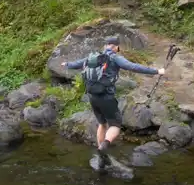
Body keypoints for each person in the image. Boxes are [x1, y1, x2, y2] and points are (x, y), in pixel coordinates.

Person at [61, 35, 164, 167]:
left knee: (102, 124)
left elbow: (77, 64)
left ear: (105, 46)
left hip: (92, 96)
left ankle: (100, 154)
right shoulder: (115, 57)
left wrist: (67, 64)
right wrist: (156, 71)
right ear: (116, 47)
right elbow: (132, 66)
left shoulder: (94, 57)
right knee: (115, 125)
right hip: (107, 97)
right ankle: (104, 146)